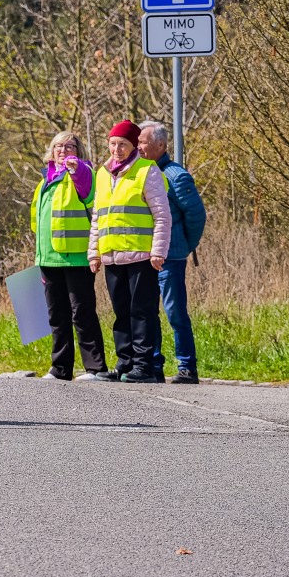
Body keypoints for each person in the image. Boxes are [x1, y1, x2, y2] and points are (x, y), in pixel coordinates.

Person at [91, 120, 172, 383]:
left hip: (142, 256)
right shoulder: (102, 174)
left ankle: (144, 366)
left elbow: (162, 216)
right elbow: (98, 217)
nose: (117, 149)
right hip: (112, 255)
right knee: (121, 312)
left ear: (133, 145)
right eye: (113, 144)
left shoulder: (147, 170)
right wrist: (94, 253)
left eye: (123, 144)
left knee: (142, 312)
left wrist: (158, 251)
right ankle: (124, 363)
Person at [30, 131, 106, 380]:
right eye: (58, 146)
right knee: (57, 316)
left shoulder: (83, 173)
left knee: (82, 314)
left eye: (69, 146)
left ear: (78, 151)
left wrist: (76, 169)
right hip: (48, 257)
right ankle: (60, 368)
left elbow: (87, 190)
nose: (63, 150)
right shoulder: (45, 179)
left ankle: (95, 368)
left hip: (76, 257)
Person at [138, 121, 207, 384]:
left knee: (175, 313)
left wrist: (184, 246)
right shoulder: (141, 173)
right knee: (148, 313)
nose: (138, 147)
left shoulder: (176, 176)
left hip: (171, 257)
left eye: (143, 142)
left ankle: (187, 366)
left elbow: (196, 216)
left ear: (161, 145)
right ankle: (154, 365)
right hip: (145, 255)